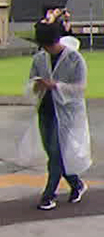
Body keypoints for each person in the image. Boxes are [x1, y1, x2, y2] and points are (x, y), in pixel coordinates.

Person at [25, 21, 90, 211]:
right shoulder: (39, 59)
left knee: (55, 152)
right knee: (52, 152)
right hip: (45, 110)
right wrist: (37, 85)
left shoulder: (75, 59)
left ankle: (48, 194)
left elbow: (80, 88)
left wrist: (56, 85)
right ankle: (76, 183)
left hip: (66, 113)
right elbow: (32, 81)